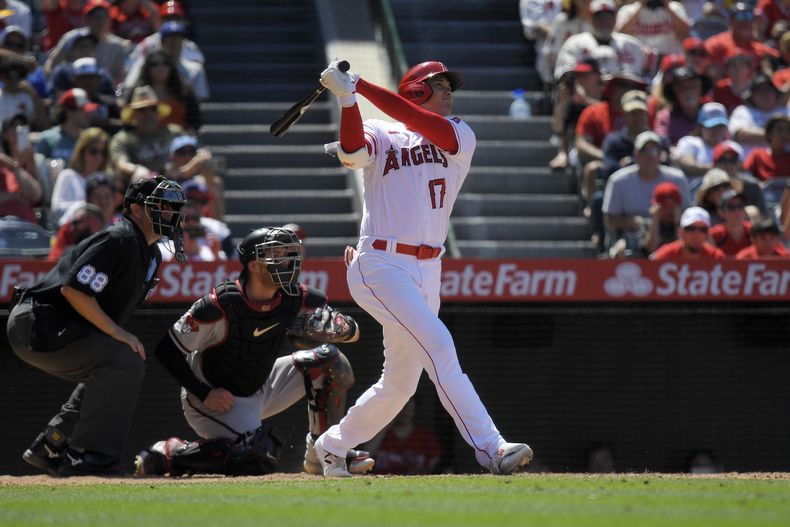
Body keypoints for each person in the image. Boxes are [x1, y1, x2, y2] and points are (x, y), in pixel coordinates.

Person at [314, 59, 533, 478]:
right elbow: (353, 151)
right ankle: (492, 448)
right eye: (439, 84)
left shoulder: (460, 133)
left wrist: (359, 85)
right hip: (381, 262)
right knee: (440, 347)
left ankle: (330, 447)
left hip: (428, 269)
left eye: (450, 85)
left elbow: (418, 120)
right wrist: (347, 99)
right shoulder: (382, 131)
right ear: (415, 89)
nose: (449, 91)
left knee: (399, 386)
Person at [134, 227, 374, 477]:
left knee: (331, 362)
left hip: (260, 382)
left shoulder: (297, 297)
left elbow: (354, 332)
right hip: (215, 399)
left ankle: (323, 452)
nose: (286, 261)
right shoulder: (220, 304)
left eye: (287, 254)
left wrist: (342, 329)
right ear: (253, 265)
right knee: (258, 454)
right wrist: (204, 393)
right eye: (276, 255)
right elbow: (166, 350)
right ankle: (170, 455)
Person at [5, 176, 186, 476]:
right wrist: (118, 333)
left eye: (173, 208)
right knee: (124, 360)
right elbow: (74, 290)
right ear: (137, 209)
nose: (170, 213)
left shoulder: (151, 254)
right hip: (37, 322)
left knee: (114, 363)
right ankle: (89, 457)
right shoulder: (118, 238)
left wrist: (116, 336)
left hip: (57, 325)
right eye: (162, 206)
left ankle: (52, 444)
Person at [602, 130, 690, 256]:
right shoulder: (618, 180)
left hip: (671, 232)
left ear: (661, 155)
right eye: (644, 151)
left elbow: (687, 213)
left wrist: (673, 218)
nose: (649, 156)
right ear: (635, 154)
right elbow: (610, 220)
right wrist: (632, 221)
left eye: (654, 151)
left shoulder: (677, 178)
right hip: (632, 235)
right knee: (621, 250)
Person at [45, 0, 132, 87]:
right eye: (95, 17)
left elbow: (121, 78)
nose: (100, 21)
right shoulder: (72, 39)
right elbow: (51, 64)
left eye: (104, 16)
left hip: (104, 92)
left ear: (109, 19)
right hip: (73, 89)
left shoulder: (118, 46)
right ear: (86, 19)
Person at [110, 85, 182, 184]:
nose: (148, 113)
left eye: (152, 108)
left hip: (176, 183)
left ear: (158, 112)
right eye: (142, 110)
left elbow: (189, 154)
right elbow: (121, 163)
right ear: (133, 115)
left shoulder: (174, 132)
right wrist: (136, 169)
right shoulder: (123, 139)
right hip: (142, 186)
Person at [127, 49, 201, 133]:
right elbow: (128, 120)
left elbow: (195, 120)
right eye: (155, 64)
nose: (161, 67)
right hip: (145, 138)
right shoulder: (138, 92)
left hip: (179, 138)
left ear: (171, 67)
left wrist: (188, 134)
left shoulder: (184, 92)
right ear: (147, 68)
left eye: (166, 63)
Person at [363, 398, 442, 475]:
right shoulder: (380, 435)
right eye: (402, 406)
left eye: (409, 406)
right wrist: (385, 426)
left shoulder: (425, 436)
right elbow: (365, 455)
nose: (406, 410)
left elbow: (434, 467)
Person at [49, 127, 110, 224]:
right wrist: (85, 207)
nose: (99, 157)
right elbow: (55, 211)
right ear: (82, 152)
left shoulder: (105, 181)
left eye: (103, 153)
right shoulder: (67, 176)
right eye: (93, 151)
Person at [729, 73, 790, 158]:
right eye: (760, 91)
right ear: (752, 96)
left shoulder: (785, 110)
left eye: (768, 90)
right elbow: (741, 134)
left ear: (775, 92)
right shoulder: (743, 111)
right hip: (751, 164)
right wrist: (777, 136)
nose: (765, 94)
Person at [35, 88, 98, 166]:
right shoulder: (47, 139)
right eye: (83, 110)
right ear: (69, 112)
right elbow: (39, 167)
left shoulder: (89, 141)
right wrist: (54, 165)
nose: (89, 114)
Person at [672, 102, 730, 181]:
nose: (716, 130)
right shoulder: (689, 142)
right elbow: (689, 166)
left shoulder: (730, 146)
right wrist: (721, 169)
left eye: (720, 126)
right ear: (700, 126)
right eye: (712, 126)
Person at [615, 0, 691, 57]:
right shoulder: (627, 10)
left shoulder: (675, 8)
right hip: (641, 61)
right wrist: (640, 6)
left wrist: (667, 7)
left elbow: (686, 35)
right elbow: (621, 37)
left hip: (669, 60)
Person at [650, 206, 726, 260]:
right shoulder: (666, 255)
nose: (696, 234)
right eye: (691, 228)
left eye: (702, 229)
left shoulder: (716, 257)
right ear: (680, 232)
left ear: (708, 234)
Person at [743, 114, 790, 181]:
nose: (784, 134)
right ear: (769, 133)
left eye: (788, 130)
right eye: (779, 129)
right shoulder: (757, 155)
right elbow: (745, 175)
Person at [642, 181, 682, 255]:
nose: (668, 210)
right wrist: (655, 219)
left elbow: (682, 249)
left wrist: (677, 222)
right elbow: (652, 248)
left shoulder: (686, 226)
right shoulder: (647, 224)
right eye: (664, 206)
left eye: (671, 207)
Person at [710, 189, 752, 256]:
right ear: (721, 212)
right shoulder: (714, 235)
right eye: (731, 207)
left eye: (740, 206)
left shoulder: (754, 232)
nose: (737, 211)